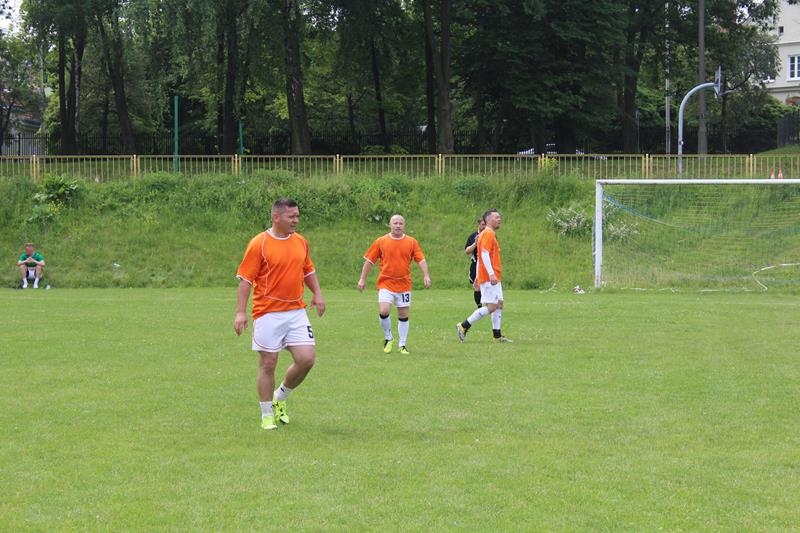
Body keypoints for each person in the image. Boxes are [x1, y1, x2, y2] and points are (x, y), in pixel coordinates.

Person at [234, 198, 326, 431]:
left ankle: (280, 397)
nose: (296, 220)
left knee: (306, 359)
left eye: (297, 216)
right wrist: (240, 313)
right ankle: (266, 414)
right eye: (291, 216)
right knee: (268, 363)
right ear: (276, 217)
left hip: (296, 311)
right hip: (268, 312)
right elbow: (245, 280)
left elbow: (308, 269)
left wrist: (317, 293)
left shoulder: (301, 241)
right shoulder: (259, 243)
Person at [357, 214, 431, 355]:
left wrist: (426, 275)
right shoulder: (381, 241)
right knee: (384, 310)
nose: (398, 225)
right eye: (395, 223)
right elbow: (369, 261)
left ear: (404, 226)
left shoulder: (411, 242)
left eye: (400, 223)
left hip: (404, 284)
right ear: (389, 225)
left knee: (403, 314)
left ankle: (402, 345)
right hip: (386, 283)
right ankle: (388, 337)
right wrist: (362, 279)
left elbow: (421, 259)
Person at [456, 209, 512, 343]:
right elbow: (484, 254)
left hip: (492, 276)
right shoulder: (488, 233)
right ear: (489, 220)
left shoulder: (488, 233)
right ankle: (463, 325)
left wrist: (478, 275)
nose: (499, 219)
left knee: (499, 303)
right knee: (492, 306)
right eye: (497, 217)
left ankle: (497, 336)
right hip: (489, 277)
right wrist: (490, 274)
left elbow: (480, 256)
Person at [464, 216, 486, 308]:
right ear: (478, 224)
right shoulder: (473, 236)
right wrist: (475, 243)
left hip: (486, 264)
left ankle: (489, 305)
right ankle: (479, 307)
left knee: (487, 285)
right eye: (483, 224)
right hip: (476, 264)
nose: (484, 227)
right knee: (477, 287)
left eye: (486, 225)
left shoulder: (490, 235)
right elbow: (467, 251)